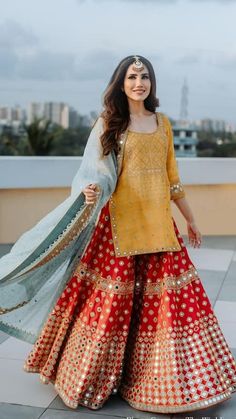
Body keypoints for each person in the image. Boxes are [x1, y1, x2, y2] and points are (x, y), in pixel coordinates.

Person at [0, 55, 236, 414]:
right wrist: (89, 190)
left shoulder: (163, 123)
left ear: (151, 83)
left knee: (170, 309)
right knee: (112, 307)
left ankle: (168, 380)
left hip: (160, 228)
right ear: (121, 84)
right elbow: (92, 171)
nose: (139, 82)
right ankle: (95, 376)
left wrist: (191, 220)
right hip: (118, 228)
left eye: (144, 76)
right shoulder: (110, 123)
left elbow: (173, 180)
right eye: (131, 77)